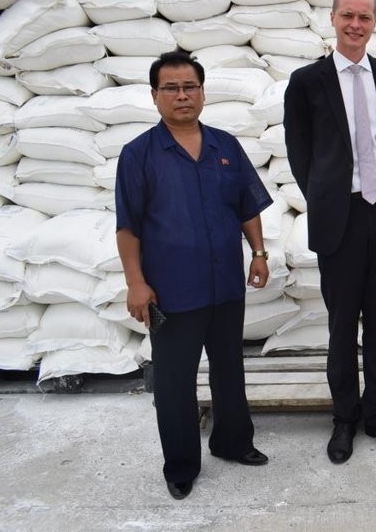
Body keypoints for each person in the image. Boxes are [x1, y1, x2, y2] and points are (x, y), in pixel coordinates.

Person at [115, 51, 273, 500]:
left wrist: (258, 253)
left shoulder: (225, 146)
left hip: (225, 283)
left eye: (190, 87)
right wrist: (135, 282)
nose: (182, 95)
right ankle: (181, 465)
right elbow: (127, 227)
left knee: (230, 369)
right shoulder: (140, 154)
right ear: (155, 96)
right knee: (174, 382)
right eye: (172, 88)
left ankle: (233, 443)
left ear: (202, 92)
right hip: (172, 288)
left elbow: (247, 206)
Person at [283, 0, 376, 465]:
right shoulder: (307, 81)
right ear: (332, 19)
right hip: (340, 215)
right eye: (348, 16)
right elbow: (300, 151)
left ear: (374, 22)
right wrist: (325, 193)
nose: (356, 25)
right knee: (341, 325)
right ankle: (345, 418)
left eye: (365, 17)